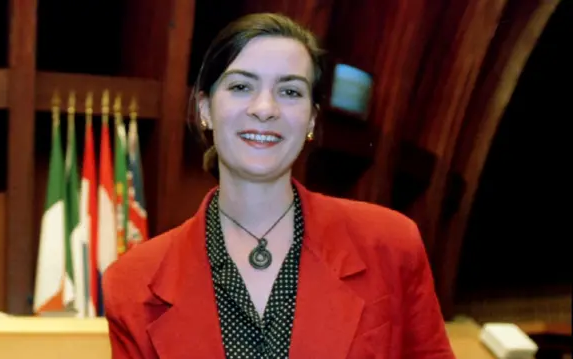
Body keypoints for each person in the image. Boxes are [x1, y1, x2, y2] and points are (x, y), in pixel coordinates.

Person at [102, 13, 455, 359]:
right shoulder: (133, 284)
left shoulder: (391, 244)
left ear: (312, 119)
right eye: (241, 86)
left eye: (289, 91)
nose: (265, 108)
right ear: (205, 107)